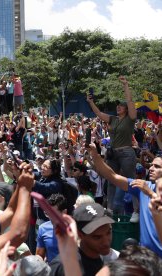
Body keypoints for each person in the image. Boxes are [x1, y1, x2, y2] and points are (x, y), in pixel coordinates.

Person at [88, 144, 162, 257]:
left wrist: (150, 193)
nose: (151, 168)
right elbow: (112, 176)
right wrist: (95, 154)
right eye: (151, 165)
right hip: (145, 258)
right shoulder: (143, 186)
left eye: (157, 166)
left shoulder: (145, 189)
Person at [87, 76, 137, 220]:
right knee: (111, 180)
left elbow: (130, 101)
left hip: (126, 152)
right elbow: (98, 113)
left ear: (127, 109)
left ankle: (136, 211)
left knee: (131, 180)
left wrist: (126, 85)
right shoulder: (113, 119)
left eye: (121, 105)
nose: (118, 107)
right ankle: (109, 209)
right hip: (113, 153)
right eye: (117, 105)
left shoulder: (130, 118)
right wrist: (91, 102)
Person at [49, 203, 115, 276]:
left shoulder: (103, 261)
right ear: (80, 235)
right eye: (97, 237)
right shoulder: (62, 266)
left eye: (108, 233)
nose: (106, 242)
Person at [36, 193, 66, 263]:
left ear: (64, 212)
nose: (50, 217)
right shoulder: (42, 228)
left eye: (54, 214)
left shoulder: (74, 229)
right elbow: (39, 255)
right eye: (47, 213)